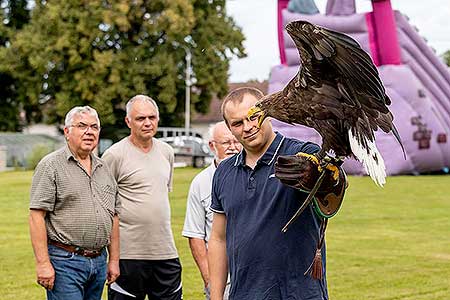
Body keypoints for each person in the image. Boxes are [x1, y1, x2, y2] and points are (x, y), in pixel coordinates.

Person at [208, 87, 347, 299]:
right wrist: (216, 297)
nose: (248, 127)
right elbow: (218, 239)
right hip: (244, 293)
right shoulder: (224, 172)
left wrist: (328, 181)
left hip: (299, 293)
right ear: (229, 128)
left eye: (254, 117)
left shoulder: (303, 155)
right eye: (237, 123)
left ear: (269, 114)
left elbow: (334, 191)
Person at [29, 106, 120, 300]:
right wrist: (43, 263)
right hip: (64, 261)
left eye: (94, 127)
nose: (89, 131)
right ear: (67, 131)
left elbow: (114, 216)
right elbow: (37, 215)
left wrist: (114, 260)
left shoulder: (105, 168)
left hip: (98, 262)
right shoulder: (50, 165)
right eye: (82, 126)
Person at [102, 95, 182, 300]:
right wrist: (113, 257)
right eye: (140, 118)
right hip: (128, 256)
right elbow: (104, 207)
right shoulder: (114, 155)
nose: (147, 123)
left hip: (165, 253)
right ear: (128, 121)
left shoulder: (167, 152)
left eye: (152, 117)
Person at [182, 121, 241, 299]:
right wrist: (210, 280)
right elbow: (195, 235)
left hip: (254, 276)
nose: (232, 147)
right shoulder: (200, 183)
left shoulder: (253, 173)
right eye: (225, 143)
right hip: (222, 278)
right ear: (212, 145)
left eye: (236, 141)